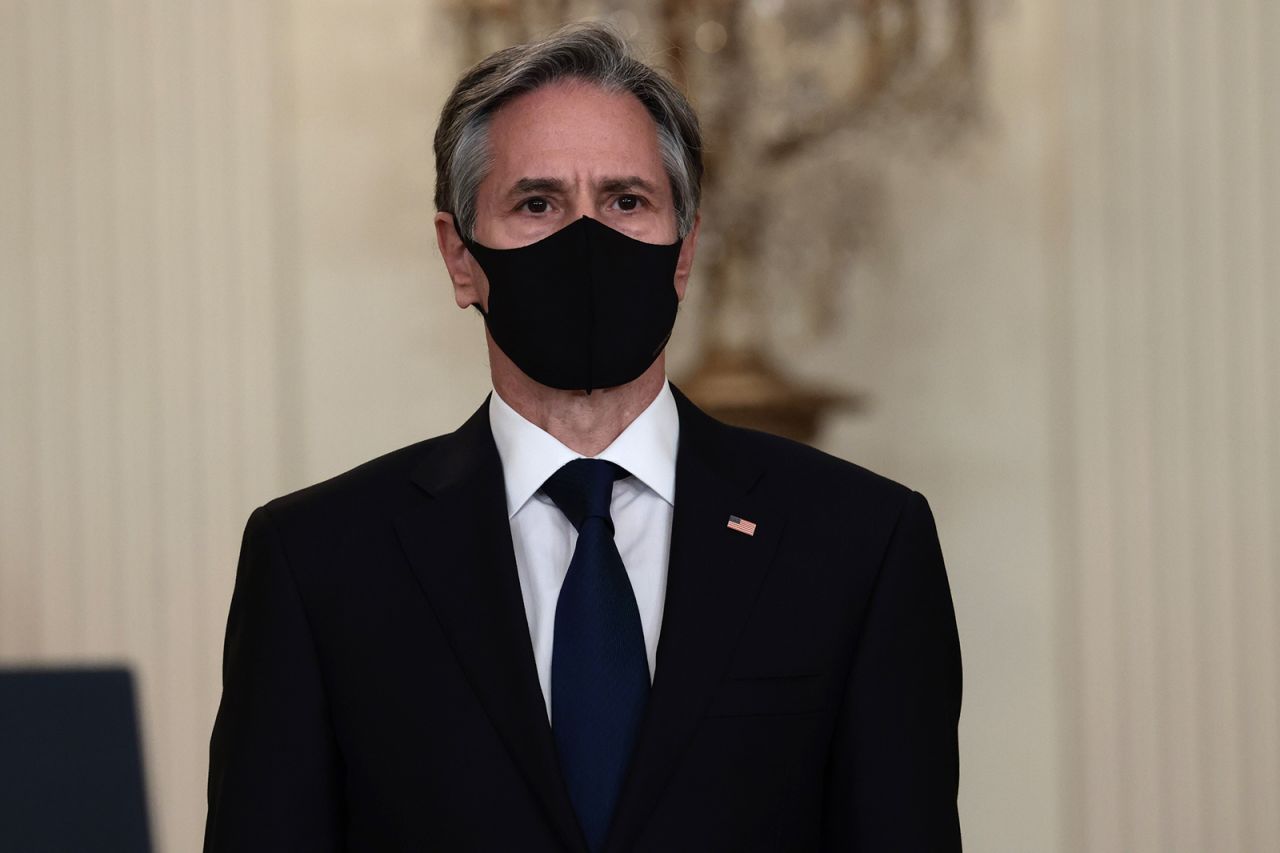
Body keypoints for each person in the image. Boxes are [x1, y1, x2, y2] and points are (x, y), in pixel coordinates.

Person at [204, 22, 961, 853]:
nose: (586, 238)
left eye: (626, 201)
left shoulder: (861, 544)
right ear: (460, 256)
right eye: (538, 203)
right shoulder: (318, 562)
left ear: (684, 251)